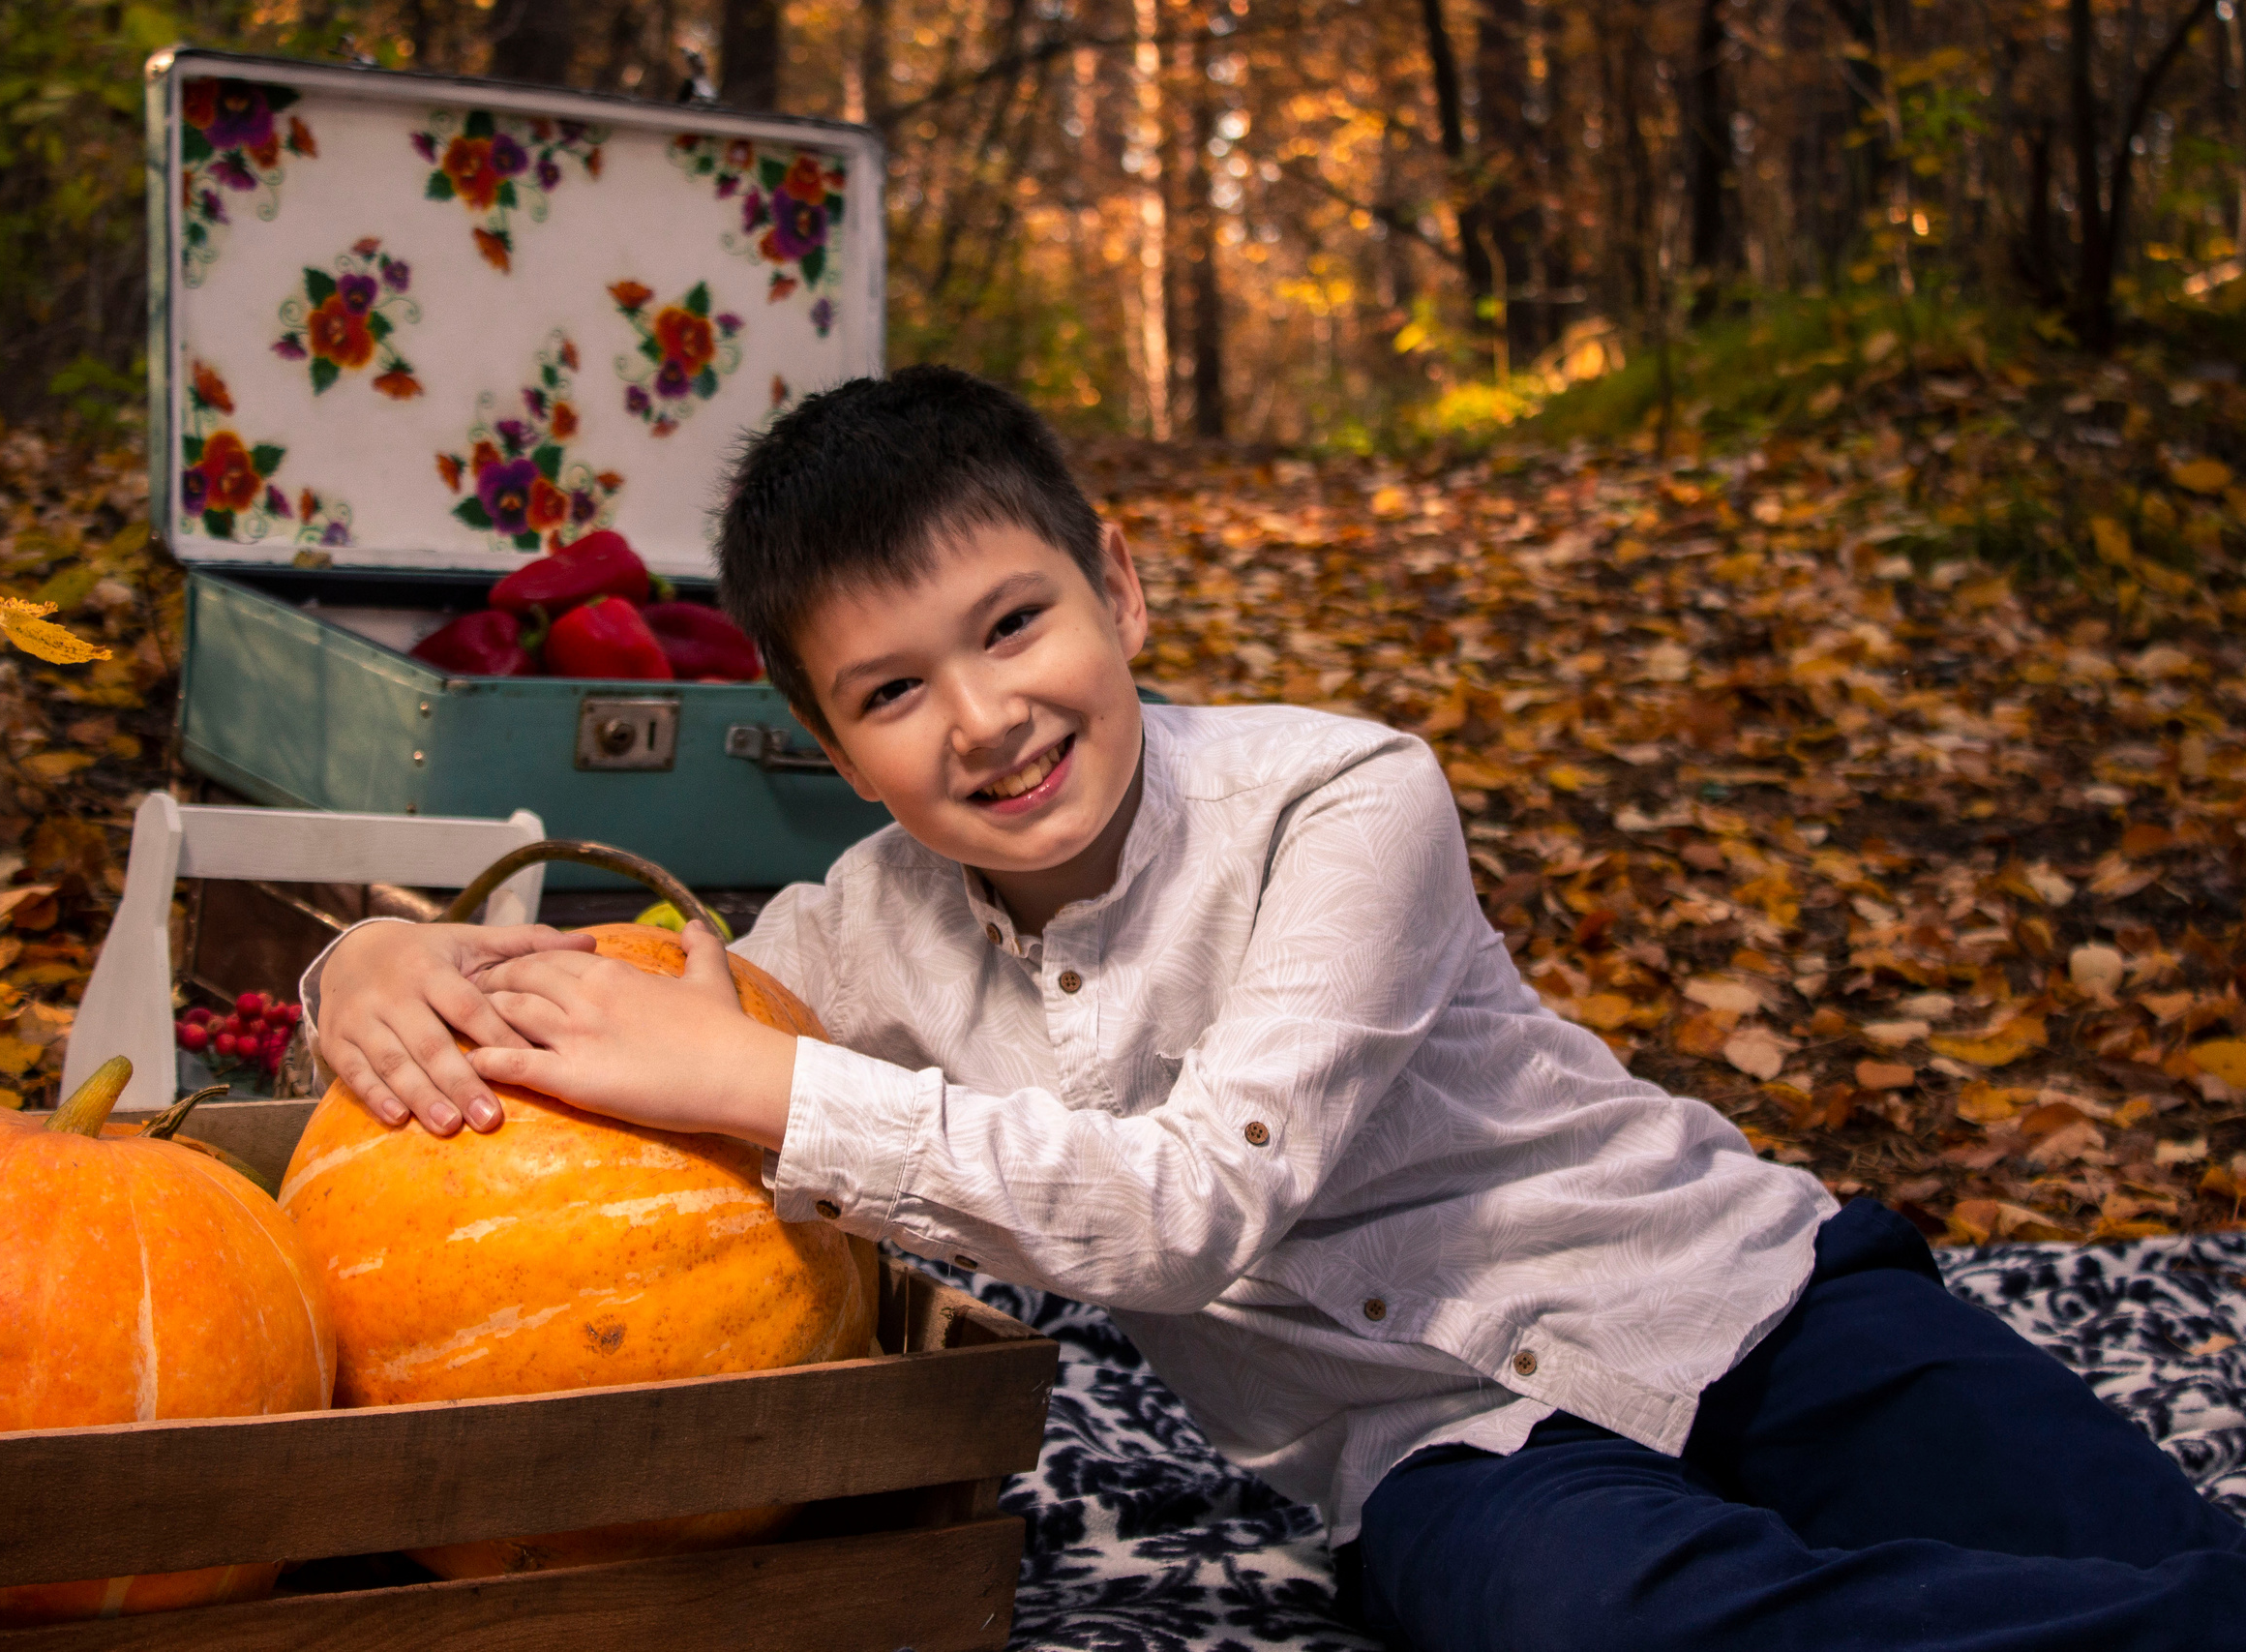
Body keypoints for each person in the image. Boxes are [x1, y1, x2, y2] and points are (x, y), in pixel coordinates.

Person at [309, 365, 2246, 1650]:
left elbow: (1191, 1209)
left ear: (1119, 589)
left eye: (1012, 623)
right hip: (1436, 1448)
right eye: (891, 693)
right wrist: (374, 962)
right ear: (827, 746)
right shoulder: (863, 933)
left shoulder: (1340, 798)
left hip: (1738, 1303)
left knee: (2155, 1562)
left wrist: (772, 1084)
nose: (982, 717)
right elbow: (602, 1008)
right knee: (1596, 1626)